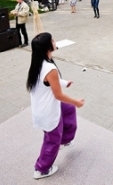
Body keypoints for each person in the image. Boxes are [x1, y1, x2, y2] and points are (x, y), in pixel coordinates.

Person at [26, 32, 85, 180]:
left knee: (68, 109)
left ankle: (65, 140)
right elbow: (58, 95)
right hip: (48, 111)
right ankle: (41, 169)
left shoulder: (39, 62)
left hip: (45, 107)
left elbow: (49, 82)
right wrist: (76, 102)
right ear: (48, 47)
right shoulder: (49, 68)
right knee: (52, 140)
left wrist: (64, 83)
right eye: (52, 40)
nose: (54, 41)